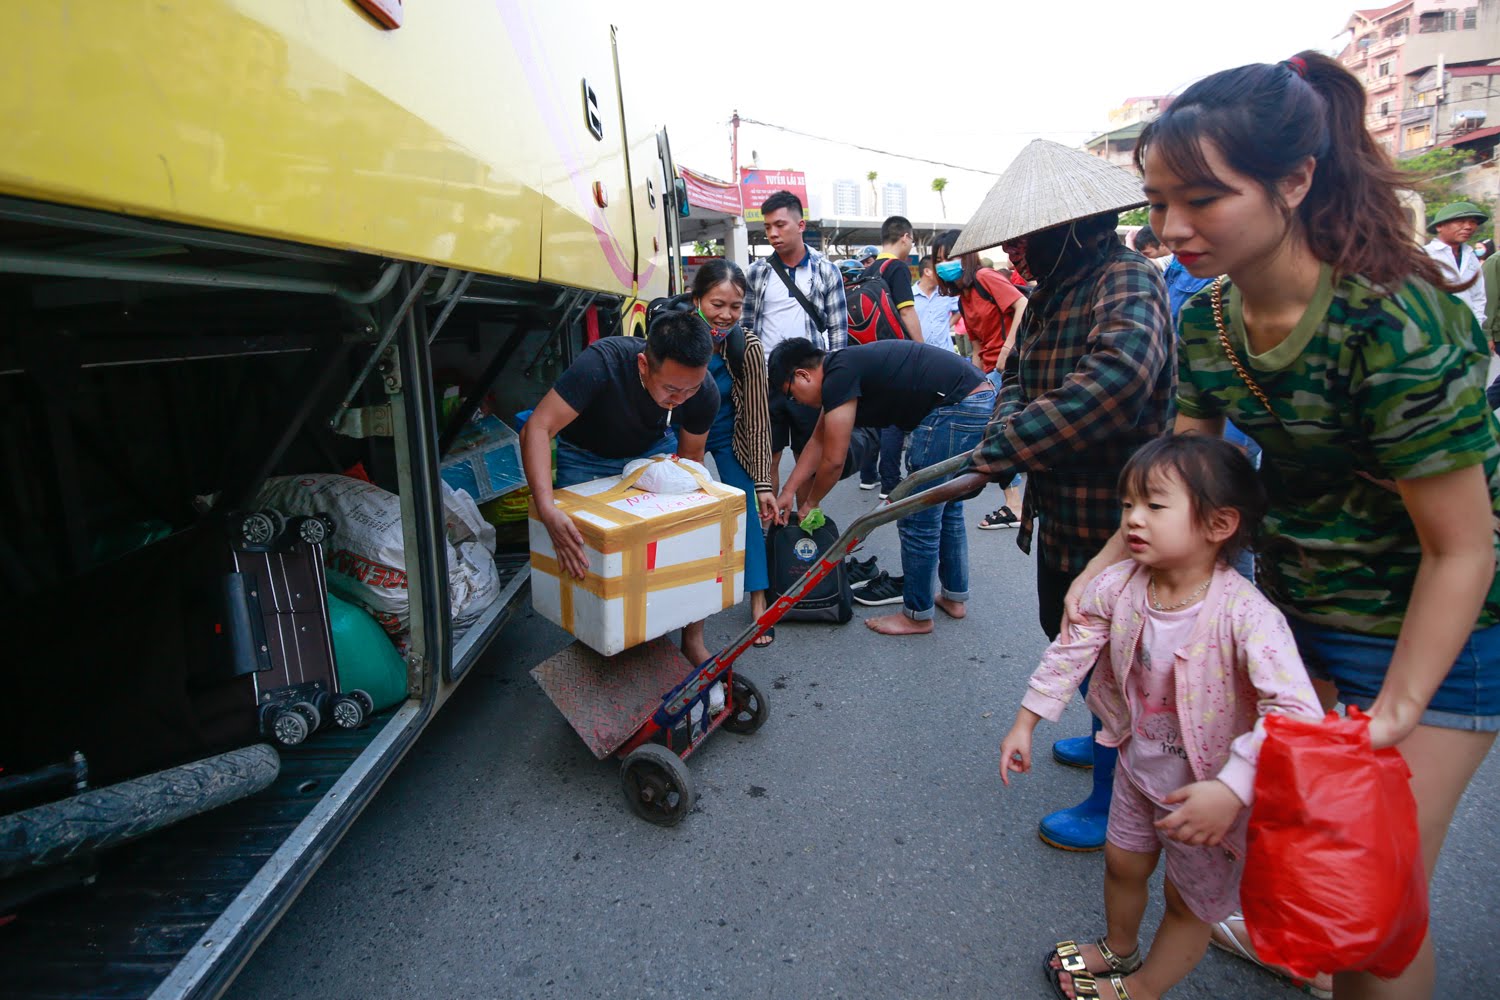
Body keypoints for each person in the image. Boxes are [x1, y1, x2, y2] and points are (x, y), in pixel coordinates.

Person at [1060, 50, 1499, 1000]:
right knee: (1304, 868)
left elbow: (1463, 546)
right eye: (1156, 201)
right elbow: (1175, 476)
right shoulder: (1211, 316)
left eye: (1203, 199)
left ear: (1296, 180)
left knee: (1372, 905)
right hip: (1297, 619)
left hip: (1434, 633)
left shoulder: (1397, 321)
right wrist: (1099, 578)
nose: (1171, 228)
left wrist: (1394, 715)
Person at [1001, 434, 1324, 1000]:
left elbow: (1296, 712)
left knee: (1187, 902)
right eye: (1128, 504)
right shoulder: (1121, 584)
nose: (1132, 519)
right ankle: (1120, 947)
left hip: (1208, 797)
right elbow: (1072, 648)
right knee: (1122, 866)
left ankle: (1146, 985)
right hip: (1137, 765)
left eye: (1154, 505)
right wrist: (1027, 719)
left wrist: (1232, 788)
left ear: (1219, 525)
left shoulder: (1247, 616)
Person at [957, 138, 1175, 853]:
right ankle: (1105, 732)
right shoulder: (1051, 293)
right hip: (1061, 503)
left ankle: (1120, 799)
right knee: (1068, 629)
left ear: (1075, 227)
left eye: (1028, 238)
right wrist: (1002, 437)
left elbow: (1114, 381)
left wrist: (1006, 450)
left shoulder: (1128, 279)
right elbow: (1014, 378)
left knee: (1116, 657)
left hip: (1124, 512)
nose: (1016, 253)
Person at [520, 313, 721, 665]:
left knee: (682, 541)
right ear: (644, 364)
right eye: (672, 389)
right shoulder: (602, 363)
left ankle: (691, 639)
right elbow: (537, 428)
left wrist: (696, 523)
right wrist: (547, 508)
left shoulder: (702, 394)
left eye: (690, 389)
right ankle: (597, 641)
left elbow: (691, 462)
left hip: (650, 455)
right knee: (586, 556)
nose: (681, 399)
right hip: (586, 457)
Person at [768, 337, 995, 633]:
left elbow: (834, 460)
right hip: (973, 397)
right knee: (946, 505)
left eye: (792, 395)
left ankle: (916, 615)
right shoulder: (840, 369)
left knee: (918, 515)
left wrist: (811, 501)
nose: (795, 402)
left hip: (955, 406)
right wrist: (787, 492)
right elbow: (818, 441)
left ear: (802, 375)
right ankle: (953, 598)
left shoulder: (839, 374)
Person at [677, 261, 779, 647]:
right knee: (683, 516)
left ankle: (758, 600)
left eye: (735, 306)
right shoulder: (679, 334)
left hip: (728, 433)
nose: (726, 315)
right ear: (697, 299)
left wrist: (764, 481)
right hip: (681, 432)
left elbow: (756, 416)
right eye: (717, 304)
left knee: (748, 507)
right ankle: (682, 601)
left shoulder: (747, 346)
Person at [741, 190, 849, 501]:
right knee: (767, 458)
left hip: (809, 383)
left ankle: (802, 529)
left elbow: (838, 331)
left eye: (780, 225)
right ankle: (769, 527)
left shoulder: (826, 270)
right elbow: (746, 328)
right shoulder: (757, 272)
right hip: (766, 382)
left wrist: (834, 383)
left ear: (800, 225)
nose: (773, 234)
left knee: (807, 457)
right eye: (767, 227)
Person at [932, 230, 1027, 529]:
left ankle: (1013, 503)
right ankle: (1013, 503)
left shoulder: (986, 277)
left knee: (993, 430)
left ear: (968, 255)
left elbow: (1022, 305)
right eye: (938, 260)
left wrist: (1008, 350)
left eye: (950, 257)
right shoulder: (963, 298)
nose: (945, 264)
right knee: (993, 431)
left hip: (1009, 367)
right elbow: (975, 347)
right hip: (987, 371)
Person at [856, 216, 924, 499]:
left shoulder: (868, 269)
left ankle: (867, 475)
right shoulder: (897, 268)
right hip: (896, 352)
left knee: (875, 412)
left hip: (869, 350)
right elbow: (906, 310)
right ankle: (890, 483)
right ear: (905, 237)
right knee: (895, 418)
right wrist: (922, 347)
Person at [1422, 201, 1488, 327]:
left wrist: (1477, 328)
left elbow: (1478, 297)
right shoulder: (1425, 256)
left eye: (1472, 222)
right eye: (1460, 222)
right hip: (1437, 330)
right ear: (1439, 226)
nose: (1468, 227)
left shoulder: (1471, 256)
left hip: (1468, 331)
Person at [911, 255, 959, 353]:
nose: (942, 273)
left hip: (946, 353)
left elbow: (959, 311)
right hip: (921, 355)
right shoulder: (909, 296)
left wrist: (946, 326)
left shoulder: (947, 293)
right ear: (927, 272)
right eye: (939, 269)